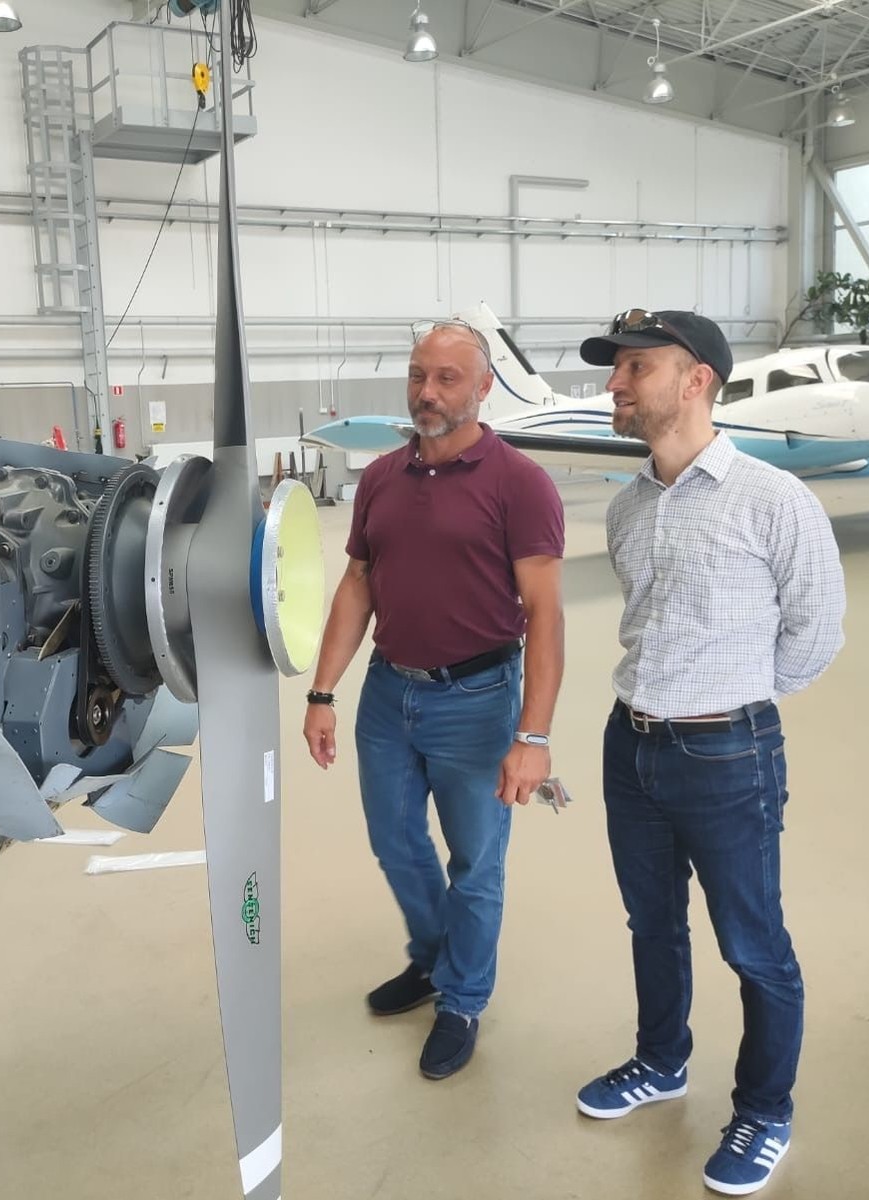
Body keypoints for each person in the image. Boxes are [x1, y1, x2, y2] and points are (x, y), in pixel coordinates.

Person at [571, 309, 845, 1196]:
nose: (615, 384)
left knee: (753, 944)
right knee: (652, 924)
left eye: (635, 368)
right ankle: (662, 1061)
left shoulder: (774, 500)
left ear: (696, 381)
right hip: (630, 745)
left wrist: (734, 707)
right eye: (615, 369)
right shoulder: (628, 506)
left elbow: (815, 633)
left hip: (728, 754)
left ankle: (765, 1110)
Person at [303, 320, 566, 1081]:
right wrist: (323, 692)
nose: (428, 391)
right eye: (419, 375)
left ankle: (462, 998)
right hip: (389, 695)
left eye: (447, 378)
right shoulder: (382, 478)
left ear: (482, 388)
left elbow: (545, 615)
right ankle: (433, 957)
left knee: (476, 863)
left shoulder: (519, 483)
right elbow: (358, 584)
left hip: (478, 701)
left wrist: (533, 736)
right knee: (395, 842)